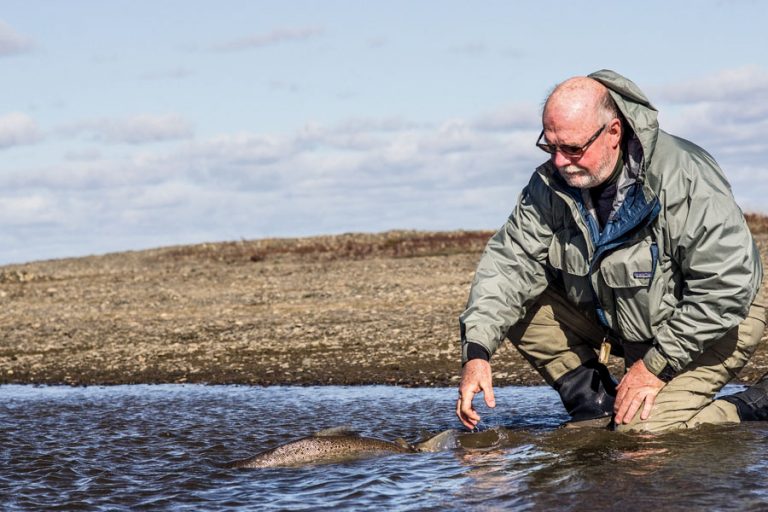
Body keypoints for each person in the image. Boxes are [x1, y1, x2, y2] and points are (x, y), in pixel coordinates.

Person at [456, 69, 767, 432]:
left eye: (572, 148)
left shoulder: (684, 178)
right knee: (517, 303)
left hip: (716, 321)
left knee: (639, 434)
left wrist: (655, 366)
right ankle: (594, 404)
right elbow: (508, 265)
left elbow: (724, 289)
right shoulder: (550, 184)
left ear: (614, 133)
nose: (559, 161)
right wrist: (477, 354)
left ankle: (752, 406)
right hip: (626, 322)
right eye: (550, 146)